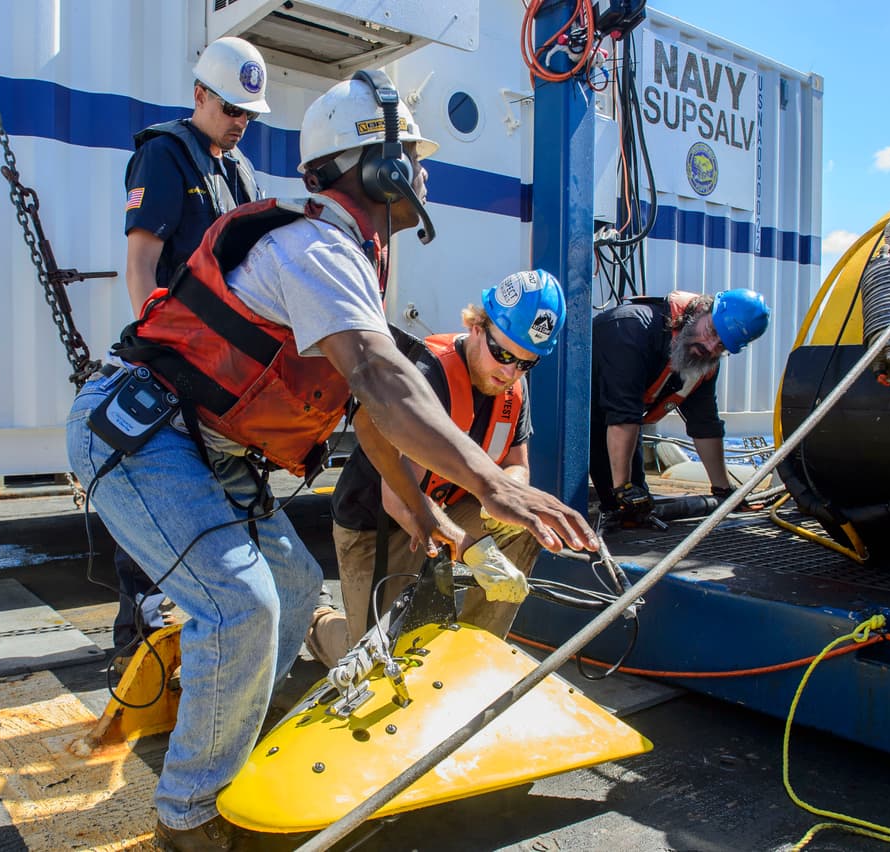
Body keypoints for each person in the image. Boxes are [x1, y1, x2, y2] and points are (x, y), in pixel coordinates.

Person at [67, 71, 600, 851]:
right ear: (376, 165)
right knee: (242, 604)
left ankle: (228, 742)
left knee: (286, 586)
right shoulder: (316, 244)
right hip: (143, 435)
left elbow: (367, 416)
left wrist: (430, 521)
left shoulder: (350, 257)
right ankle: (190, 815)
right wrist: (493, 487)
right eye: (412, 158)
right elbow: (385, 386)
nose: (421, 175)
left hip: (200, 442)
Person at [305, 270, 567, 668]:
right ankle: (317, 620)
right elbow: (399, 499)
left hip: (451, 509)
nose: (510, 372)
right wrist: (473, 548)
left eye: (525, 364)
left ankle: (472, 658)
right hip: (379, 524)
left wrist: (502, 499)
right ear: (477, 326)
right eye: (504, 354)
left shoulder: (513, 386)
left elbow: (518, 466)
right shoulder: (426, 375)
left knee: (527, 523)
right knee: (372, 661)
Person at [110, 36, 269, 660]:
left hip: (226, 365)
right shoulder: (165, 156)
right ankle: (143, 627)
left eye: (248, 116)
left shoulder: (241, 171)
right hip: (176, 357)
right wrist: (156, 353)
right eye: (231, 110)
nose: (240, 124)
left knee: (227, 487)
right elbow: (141, 263)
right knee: (160, 479)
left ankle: (226, 620)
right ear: (199, 94)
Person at [587, 289, 770, 526]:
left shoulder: (701, 359)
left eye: (722, 345)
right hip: (566, 414)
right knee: (615, 500)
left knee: (635, 511)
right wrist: (623, 489)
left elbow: (705, 424)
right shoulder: (632, 328)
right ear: (703, 310)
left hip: (615, 422)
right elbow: (623, 415)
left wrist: (723, 490)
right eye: (712, 331)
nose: (710, 345)